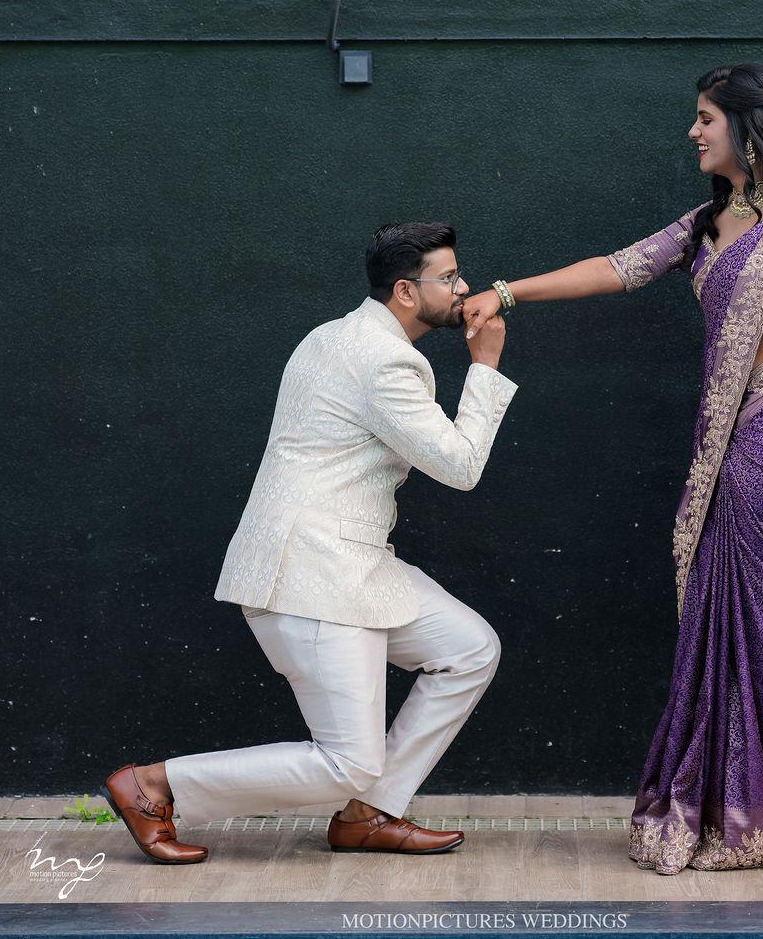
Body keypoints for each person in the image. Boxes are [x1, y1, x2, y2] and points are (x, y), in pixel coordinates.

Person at [461, 62, 763, 874]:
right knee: (720, 621)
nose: (693, 132)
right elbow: (620, 267)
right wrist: (507, 293)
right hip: (726, 450)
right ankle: (716, 804)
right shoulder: (709, 222)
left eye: (704, 119)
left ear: (749, 131)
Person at [102, 222, 516, 863]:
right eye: (449, 278)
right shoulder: (387, 361)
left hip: (348, 561)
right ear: (406, 292)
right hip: (312, 571)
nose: (462, 288)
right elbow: (459, 468)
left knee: (467, 650)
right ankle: (154, 786)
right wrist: (485, 368)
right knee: (349, 761)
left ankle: (370, 815)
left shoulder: (332, 334)